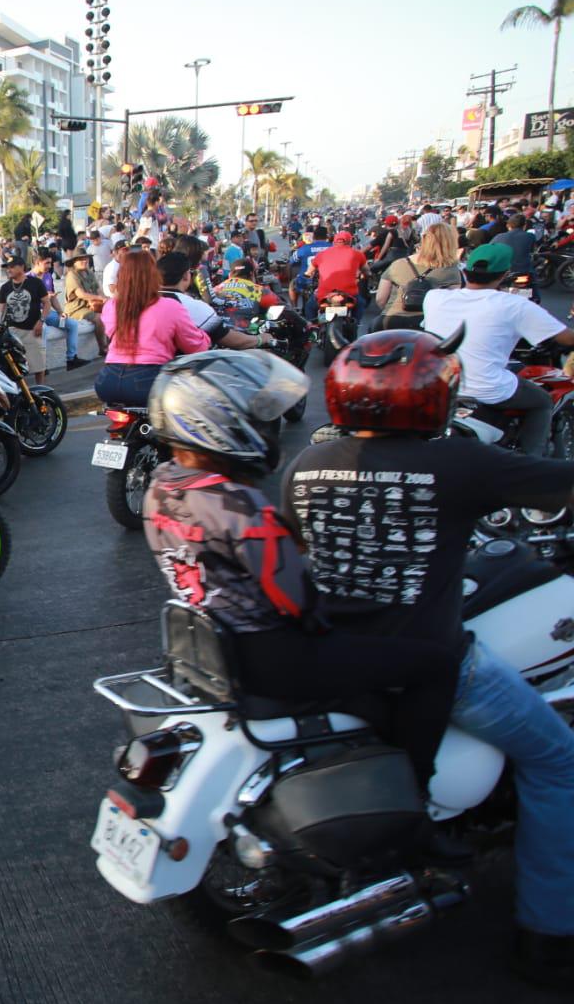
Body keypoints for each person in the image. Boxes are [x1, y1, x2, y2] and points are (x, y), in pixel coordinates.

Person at [287, 329, 574, 986]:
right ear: (433, 399)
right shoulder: (462, 465)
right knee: (559, 760)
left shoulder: (305, 464)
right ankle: (550, 934)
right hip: (433, 662)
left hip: (334, 655)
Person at [144, 349, 460, 787]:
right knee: (437, 665)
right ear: (217, 423)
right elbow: (293, 599)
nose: (264, 426)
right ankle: (418, 788)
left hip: (214, 646)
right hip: (274, 655)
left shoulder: (160, 488)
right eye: (254, 417)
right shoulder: (241, 505)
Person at [422, 243, 574, 456]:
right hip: (487, 389)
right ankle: (532, 460)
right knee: (542, 402)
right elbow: (566, 338)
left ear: (465, 271)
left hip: (440, 386)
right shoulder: (515, 305)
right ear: (504, 274)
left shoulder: (434, 298)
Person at [94, 250, 210, 408]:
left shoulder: (112, 306)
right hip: (147, 381)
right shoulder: (170, 306)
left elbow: (110, 332)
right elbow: (196, 346)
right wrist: (205, 336)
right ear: (154, 274)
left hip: (107, 380)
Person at [0, 256, 82, 379]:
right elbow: (2, 309)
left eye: (12, 267)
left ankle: (43, 389)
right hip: (14, 329)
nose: (8, 270)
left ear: (21, 267)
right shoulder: (5, 287)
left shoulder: (36, 283)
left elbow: (47, 302)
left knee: (39, 365)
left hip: (35, 324)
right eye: (7, 268)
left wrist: (47, 318)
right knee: (14, 366)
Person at [375, 222, 463, 330]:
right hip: (425, 325)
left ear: (424, 240)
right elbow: (451, 306)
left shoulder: (398, 264)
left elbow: (380, 299)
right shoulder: (452, 271)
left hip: (390, 321)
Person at [306, 230, 368, 319]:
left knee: (310, 307)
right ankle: (355, 324)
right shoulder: (358, 254)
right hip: (349, 294)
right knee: (361, 303)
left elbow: (309, 272)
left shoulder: (321, 254)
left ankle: (311, 327)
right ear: (350, 242)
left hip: (325, 294)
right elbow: (367, 271)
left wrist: (307, 275)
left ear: (334, 241)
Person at [63, 249, 109, 356]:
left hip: (92, 305)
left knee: (112, 312)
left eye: (85, 258)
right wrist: (100, 298)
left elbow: (98, 290)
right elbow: (81, 294)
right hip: (77, 309)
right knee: (99, 318)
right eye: (80, 259)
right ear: (74, 262)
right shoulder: (72, 275)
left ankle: (114, 344)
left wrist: (107, 300)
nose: (84, 261)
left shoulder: (89, 272)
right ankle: (102, 348)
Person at [288, 225, 333, 314]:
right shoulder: (333, 247)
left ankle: (295, 308)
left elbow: (292, 261)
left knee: (292, 285)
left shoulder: (305, 248)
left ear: (314, 236)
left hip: (306, 281)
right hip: (329, 281)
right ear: (327, 236)